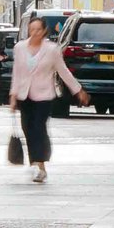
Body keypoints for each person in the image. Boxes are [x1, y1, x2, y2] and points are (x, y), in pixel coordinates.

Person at [8, 15, 88, 183]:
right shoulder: (20, 48)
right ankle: (35, 162)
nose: (35, 33)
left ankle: (41, 164)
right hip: (25, 95)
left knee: (39, 127)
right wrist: (13, 96)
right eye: (32, 30)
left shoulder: (52, 49)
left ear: (44, 30)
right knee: (27, 128)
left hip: (44, 95)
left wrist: (78, 90)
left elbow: (63, 71)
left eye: (38, 29)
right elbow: (17, 72)